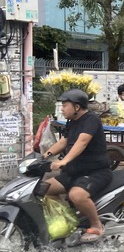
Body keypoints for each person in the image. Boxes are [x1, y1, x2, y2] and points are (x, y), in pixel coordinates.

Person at [44, 89, 112, 243]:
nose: (62, 109)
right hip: (75, 172)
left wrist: (63, 161)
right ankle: (68, 221)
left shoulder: (91, 120)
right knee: (43, 188)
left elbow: (82, 141)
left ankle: (97, 225)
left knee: (76, 195)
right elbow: (65, 141)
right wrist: (46, 155)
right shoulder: (72, 122)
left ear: (76, 107)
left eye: (64, 105)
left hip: (96, 172)